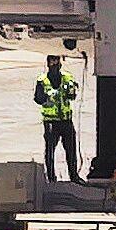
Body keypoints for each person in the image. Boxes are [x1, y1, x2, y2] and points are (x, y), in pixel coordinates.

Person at [34, 51, 81, 182]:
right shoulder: (42, 80)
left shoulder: (67, 77)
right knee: (50, 150)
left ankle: (74, 176)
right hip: (51, 121)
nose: (55, 64)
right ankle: (51, 177)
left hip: (66, 120)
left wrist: (71, 89)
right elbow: (38, 99)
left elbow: (72, 96)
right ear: (48, 64)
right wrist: (46, 96)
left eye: (57, 61)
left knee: (71, 149)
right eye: (52, 62)